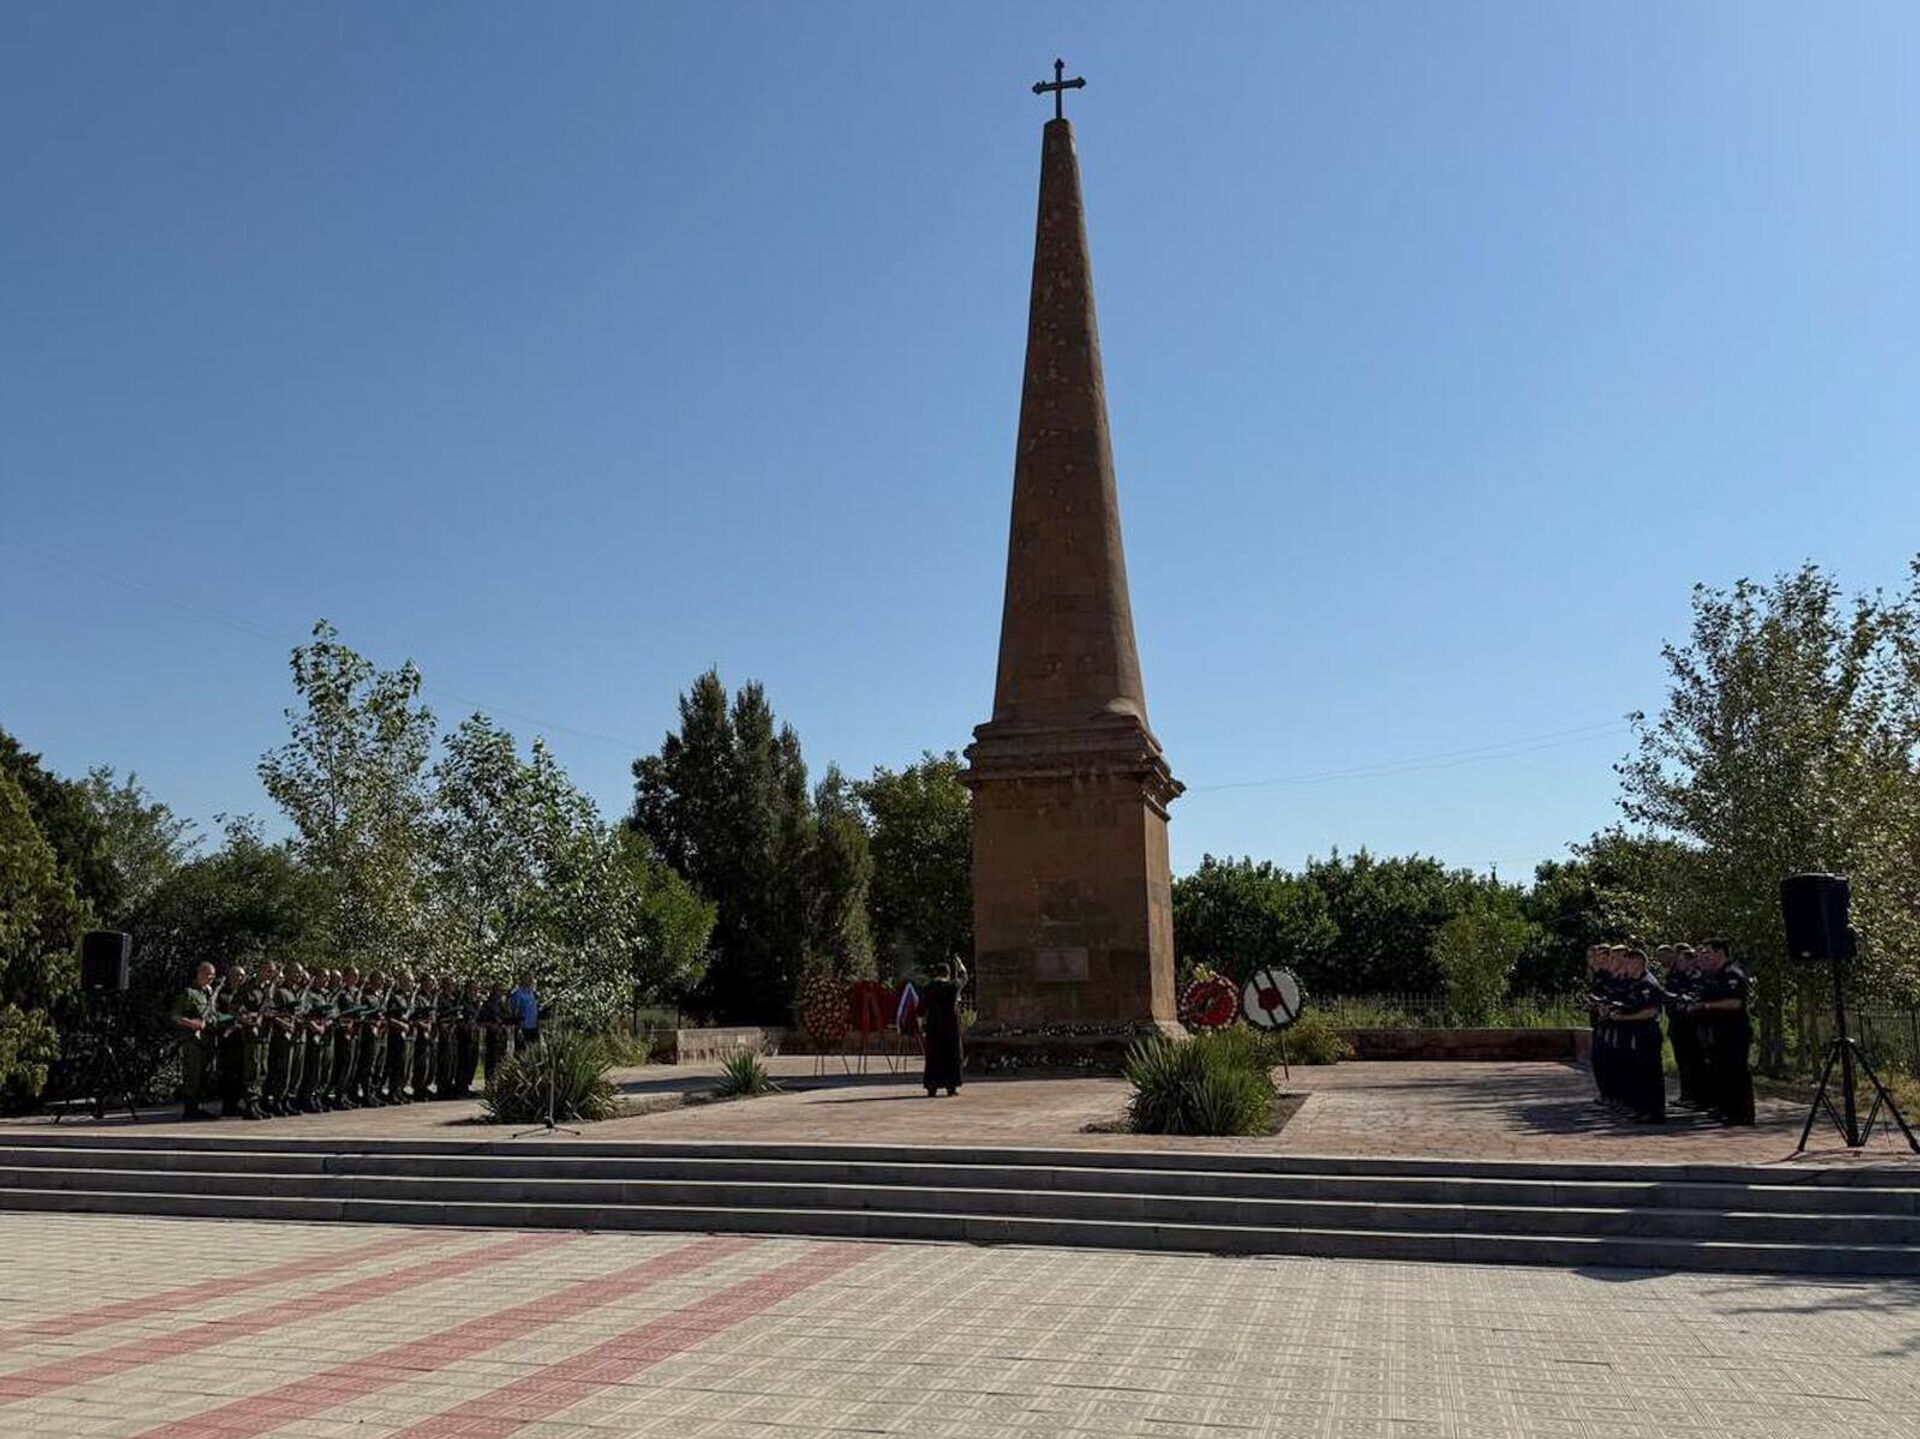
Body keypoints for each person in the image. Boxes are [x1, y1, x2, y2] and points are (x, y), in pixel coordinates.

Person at [1693, 939, 1755, 1126]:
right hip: (1719, 1030)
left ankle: (1742, 1114)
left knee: (1736, 1072)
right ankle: (1727, 1109)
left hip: (1735, 1031)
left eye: (1710, 952)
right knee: (1722, 1071)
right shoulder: (1715, 975)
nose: (1707, 956)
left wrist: (1707, 1005)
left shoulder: (1733, 974)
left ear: (1721, 953)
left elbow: (1735, 1003)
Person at [171, 962, 219, 1120]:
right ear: (199, 973)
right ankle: (190, 1109)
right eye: (208, 974)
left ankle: (197, 1108)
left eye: (212, 975)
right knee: (192, 1076)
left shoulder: (209, 994)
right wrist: (192, 1023)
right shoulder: (189, 993)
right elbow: (176, 1016)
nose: (211, 977)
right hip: (193, 1042)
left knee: (203, 1076)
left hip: (207, 1040)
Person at [1664, 944, 1708, 1109]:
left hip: (1692, 1025)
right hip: (1678, 1024)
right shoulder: (1677, 976)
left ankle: (1699, 1097)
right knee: (1683, 1062)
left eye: (1682, 961)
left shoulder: (1696, 977)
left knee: (1695, 1062)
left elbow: (1696, 999)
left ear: (1690, 961)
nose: (1679, 963)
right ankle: (1686, 1094)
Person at [921, 957, 966, 1098]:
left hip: (934, 1026)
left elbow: (922, 1008)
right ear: (947, 973)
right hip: (950, 1026)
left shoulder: (928, 988)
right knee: (952, 1055)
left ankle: (932, 1086)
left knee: (933, 1055)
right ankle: (950, 1086)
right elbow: (964, 978)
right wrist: (960, 965)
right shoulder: (952, 987)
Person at [508, 974, 540, 1049]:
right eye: (528, 979)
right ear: (522, 980)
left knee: (533, 1049)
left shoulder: (531, 993)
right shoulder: (517, 994)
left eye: (531, 979)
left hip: (533, 1026)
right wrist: (518, 1026)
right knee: (522, 1049)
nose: (530, 981)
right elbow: (514, 1011)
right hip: (522, 1027)